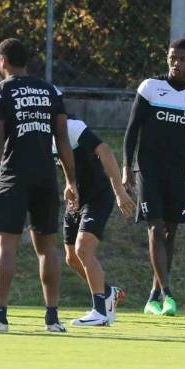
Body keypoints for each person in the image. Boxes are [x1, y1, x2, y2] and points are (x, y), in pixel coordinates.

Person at [0, 38, 78, 333]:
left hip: (14, 175)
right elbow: (62, 138)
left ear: (2, 61)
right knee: (47, 249)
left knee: (5, 246)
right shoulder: (51, 91)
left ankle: (0, 318)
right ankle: (53, 319)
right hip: (46, 175)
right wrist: (70, 181)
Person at [122, 38, 185, 316]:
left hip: (177, 173)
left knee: (171, 232)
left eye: (181, 59)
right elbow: (132, 130)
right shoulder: (150, 88)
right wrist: (126, 167)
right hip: (148, 170)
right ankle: (168, 293)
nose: (175, 63)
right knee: (155, 228)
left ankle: (154, 295)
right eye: (172, 57)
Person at [58, 116, 135, 327]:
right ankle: (108, 293)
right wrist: (69, 184)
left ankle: (100, 312)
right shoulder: (40, 133)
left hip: (98, 196)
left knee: (84, 249)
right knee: (72, 257)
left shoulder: (72, 127)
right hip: (76, 199)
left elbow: (105, 151)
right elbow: (66, 163)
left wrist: (119, 191)